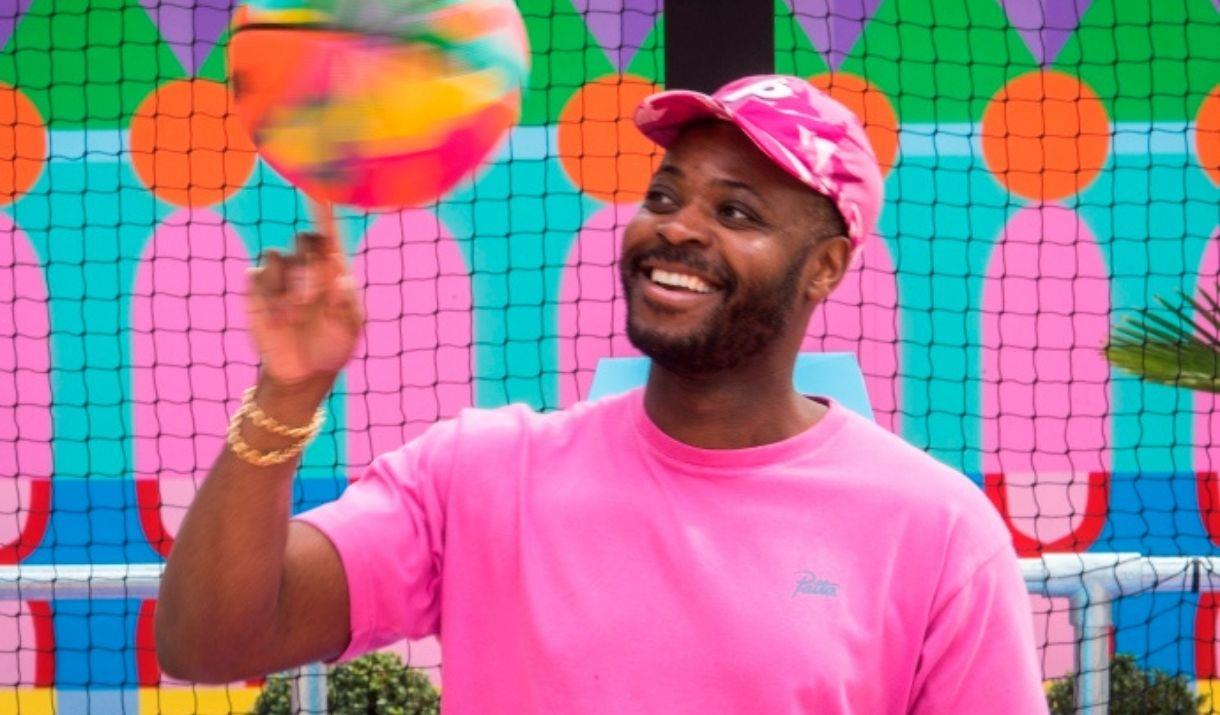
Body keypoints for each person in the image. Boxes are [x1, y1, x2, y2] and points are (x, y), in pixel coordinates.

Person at [156, 75, 1048, 713]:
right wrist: (290, 391)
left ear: (824, 266)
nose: (679, 228)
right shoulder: (483, 472)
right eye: (666, 193)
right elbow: (210, 641)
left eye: (736, 212)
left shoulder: (935, 532)